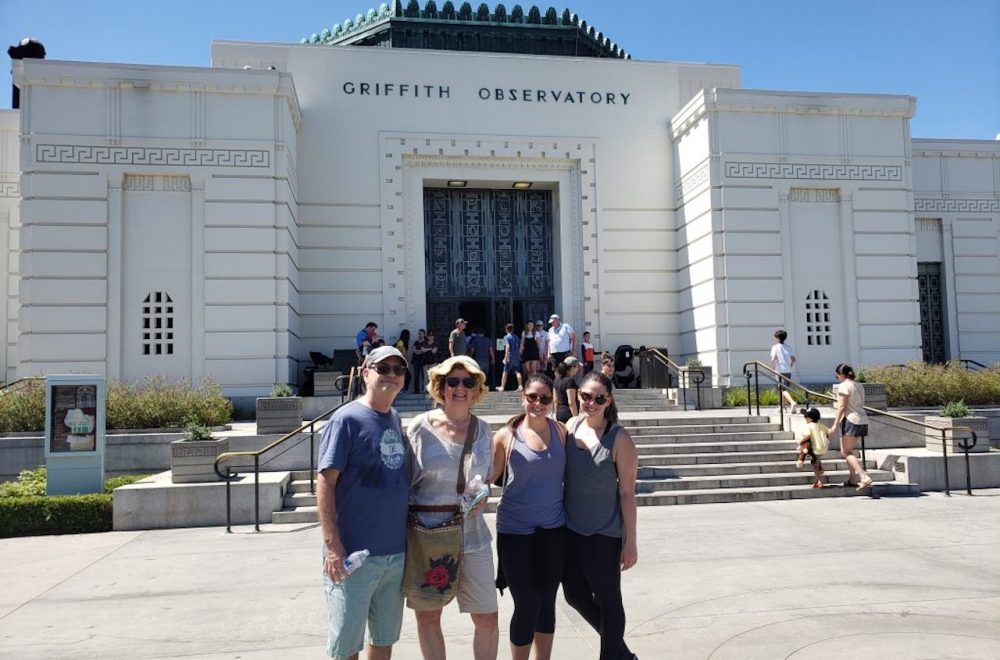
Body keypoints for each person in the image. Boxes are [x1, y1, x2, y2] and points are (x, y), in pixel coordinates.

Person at [317, 346, 410, 660]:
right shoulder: (346, 419)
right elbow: (325, 483)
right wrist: (332, 545)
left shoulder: (395, 418)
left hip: (394, 556)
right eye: (384, 369)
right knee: (346, 646)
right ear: (366, 372)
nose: (392, 376)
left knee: (383, 640)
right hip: (352, 558)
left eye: (399, 370)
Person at [407, 355, 499, 660]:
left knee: (486, 617)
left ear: (476, 388)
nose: (460, 388)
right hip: (428, 535)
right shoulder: (421, 427)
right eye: (453, 381)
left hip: (473, 535)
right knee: (429, 616)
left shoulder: (485, 430)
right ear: (440, 386)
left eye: (468, 382)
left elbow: (485, 478)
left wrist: (482, 494)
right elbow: (404, 482)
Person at [562, 370, 639, 660]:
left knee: (609, 601)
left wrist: (630, 542)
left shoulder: (619, 439)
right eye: (585, 396)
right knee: (575, 595)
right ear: (577, 395)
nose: (590, 403)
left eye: (598, 398)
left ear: (609, 401)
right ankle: (622, 655)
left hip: (604, 535)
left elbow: (627, 495)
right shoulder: (570, 425)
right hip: (571, 532)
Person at [491, 374, 567, 660]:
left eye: (544, 398)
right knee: (527, 603)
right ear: (522, 397)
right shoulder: (505, 436)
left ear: (552, 401)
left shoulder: (561, 432)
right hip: (514, 531)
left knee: (546, 602)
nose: (538, 403)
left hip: (553, 530)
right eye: (532, 397)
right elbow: (486, 478)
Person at [831, 363, 873, 491]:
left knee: (846, 452)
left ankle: (863, 476)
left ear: (840, 375)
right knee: (848, 450)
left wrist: (834, 424)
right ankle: (853, 478)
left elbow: (842, 407)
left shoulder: (843, 386)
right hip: (862, 419)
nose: (837, 377)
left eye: (836, 375)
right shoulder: (859, 385)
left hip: (851, 420)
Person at [796, 408, 829, 489]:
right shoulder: (822, 426)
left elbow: (807, 436)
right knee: (816, 460)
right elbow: (829, 432)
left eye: (805, 417)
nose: (805, 419)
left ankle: (819, 481)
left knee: (814, 464)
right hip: (823, 448)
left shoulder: (809, 426)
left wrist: (800, 442)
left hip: (815, 448)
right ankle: (820, 470)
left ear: (809, 418)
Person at [769, 329, 797, 412]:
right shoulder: (788, 347)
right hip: (788, 370)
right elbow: (793, 359)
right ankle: (781, 407)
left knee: (782, 389)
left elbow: (773, 359)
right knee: (785, 389)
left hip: (779, 371)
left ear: (777, 338)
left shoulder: (775, 347)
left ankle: (792, 402)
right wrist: (790, 366)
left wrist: (773, 369)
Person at [554, 357, 581, 423]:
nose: (577, 369)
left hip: (559, 413)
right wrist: (576, 419)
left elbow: (555, 400)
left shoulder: (556, 380)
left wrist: (555, 414)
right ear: (572, 368)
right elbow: (571, 402)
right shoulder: (570, 381)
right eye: (577, 367)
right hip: (569, 414)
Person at [498, 323, 524, 392]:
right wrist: (519, 354)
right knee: (517, 371)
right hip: (516, 356)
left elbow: (507, 346)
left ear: (506, 329)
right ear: (512, 329)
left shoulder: (506, 337)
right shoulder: (516, 337)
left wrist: (506, 356)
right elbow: (520, 345)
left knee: (505, 371)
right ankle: (520, 385)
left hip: (510, 355)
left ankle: (502, 386)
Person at [411, 329, 431, 394]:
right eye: (419, 333)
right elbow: (414, 350)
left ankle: (425, 389)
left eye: (421, 333)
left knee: (424, 375)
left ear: (424, 334)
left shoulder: (426, 342)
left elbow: (427, 350)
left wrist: (420, 351)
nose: (420, 334)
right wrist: (421, 351)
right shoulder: (416, 342)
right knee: (416, 375)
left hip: (424, 360)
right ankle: (416, 390)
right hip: (416, 360)